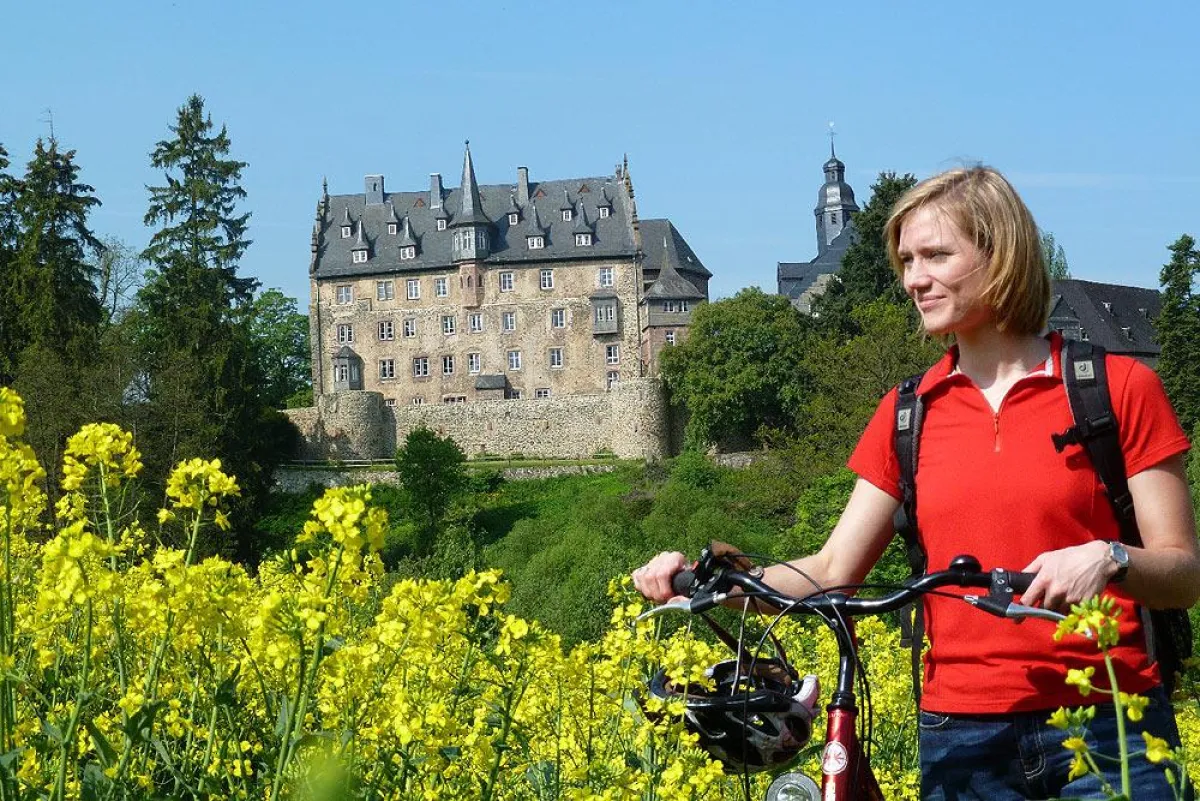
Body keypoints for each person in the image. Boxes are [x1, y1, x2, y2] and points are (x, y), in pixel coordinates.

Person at [632, 165, 1200, 800]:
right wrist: (707, 582)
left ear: (1002, 255)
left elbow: (1183, 575)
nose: (914, 279)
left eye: (936, 255)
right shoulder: (907, 414)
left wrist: (1110, 557)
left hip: (1109, 724)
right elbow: (831, 568)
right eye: (906, 260)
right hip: (962, 735)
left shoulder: (1117, 391)